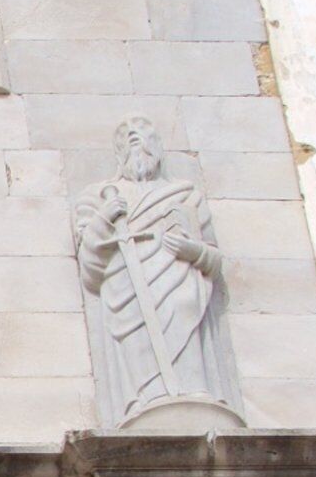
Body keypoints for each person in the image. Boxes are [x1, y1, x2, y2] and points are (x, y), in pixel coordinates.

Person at [73, 115, 232, 423]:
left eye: (145, 136)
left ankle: (193, 394)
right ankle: (147, 399)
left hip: (182, 285)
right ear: (119, 154)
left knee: (184, 318)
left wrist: (192, 251)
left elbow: (212, 255)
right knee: (140, 344)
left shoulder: (184, 195)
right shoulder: (98, 196)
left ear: (159, 148)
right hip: (127, 288)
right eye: (128, 138)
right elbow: (90, 261)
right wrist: (105, 217)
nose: (137, 140)